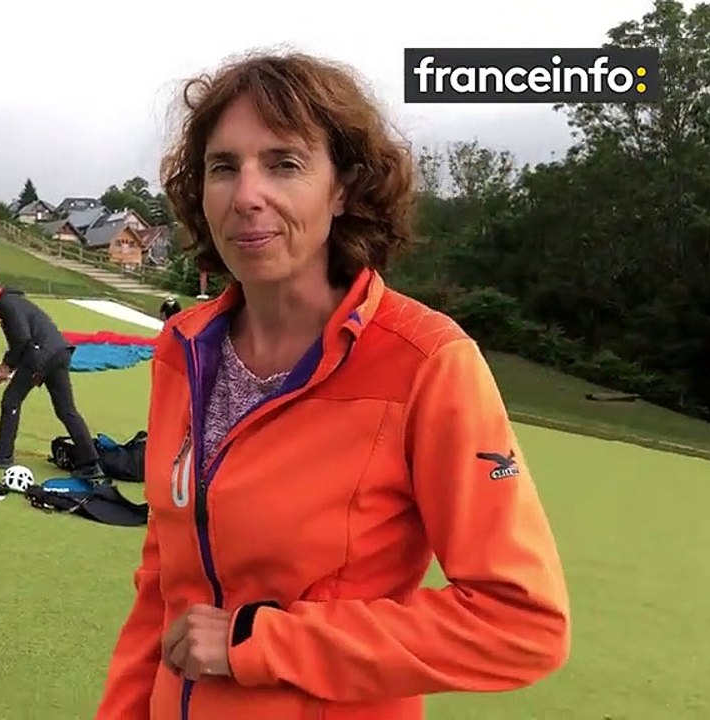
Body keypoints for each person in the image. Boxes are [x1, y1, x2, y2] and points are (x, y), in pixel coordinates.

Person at [93, 51, 570, 719]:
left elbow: (521, 624)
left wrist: (262, 643)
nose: (247, 194)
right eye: (223, 167)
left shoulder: (428, 362)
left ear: (343, 188)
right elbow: (163, 587)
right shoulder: (183, 349)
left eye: (284, 164)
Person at [0, 271, 101, 478]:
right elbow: (21, 340)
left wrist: (6, 366)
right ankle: (91, 463)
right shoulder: (11, 302)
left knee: (11, 400)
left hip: (41, 356)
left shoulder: (7, 304)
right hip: (58, 353)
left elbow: (22, 339)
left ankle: (3, 455)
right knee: (66, 410)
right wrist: (10, 365)